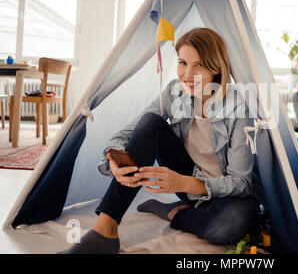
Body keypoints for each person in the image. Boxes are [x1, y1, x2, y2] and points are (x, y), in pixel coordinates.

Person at [59, 28, 260, 254]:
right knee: (150, 122)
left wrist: (183, 183)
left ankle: (176, 212)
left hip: (226, 195)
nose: (187, 75)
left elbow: (240, 183)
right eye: (183, 62)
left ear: (216, 67)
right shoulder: (175, 92)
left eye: (199, 65)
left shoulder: (238, 106)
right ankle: (105, 230)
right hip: (189, 180)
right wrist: (114, 161)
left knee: (227, 226)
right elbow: (127, 134)